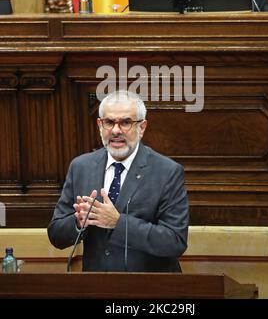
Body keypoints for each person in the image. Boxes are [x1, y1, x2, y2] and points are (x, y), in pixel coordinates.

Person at [48, 90, 189, 272]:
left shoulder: (167, 172)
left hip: (150, 289)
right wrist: (78, 222)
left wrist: (118, 222)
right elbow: (55, 234)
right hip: (97, 288)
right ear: (100, 125)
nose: (115, 130)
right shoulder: (81, 167)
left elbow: (175, 241)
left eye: (125, 122)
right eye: (109, 122)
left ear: (142, 127)